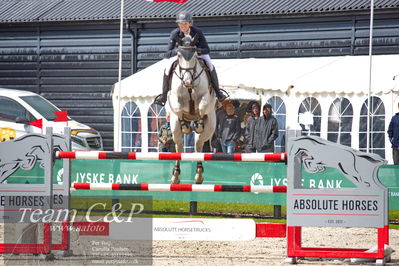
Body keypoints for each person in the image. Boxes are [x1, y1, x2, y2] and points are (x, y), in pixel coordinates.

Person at [154, 10, 228, 106]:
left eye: (185, 23)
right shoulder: (175, 34)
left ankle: (218, 92)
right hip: (180, 55)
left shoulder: (197, 32)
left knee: (210, 65)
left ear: (190, 23)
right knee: (167, 69)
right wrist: (178, 51)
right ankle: (163, 96)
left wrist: (197, 50)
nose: (183, 26)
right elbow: (167, 53)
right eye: (180, 24)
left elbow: (206, 49)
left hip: (196, 54)